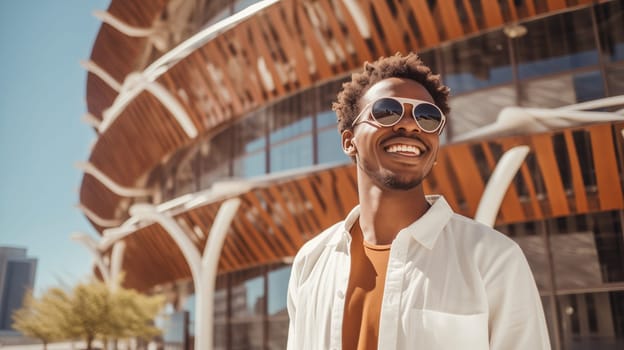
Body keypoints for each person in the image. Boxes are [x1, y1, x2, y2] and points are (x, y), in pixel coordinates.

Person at [286, 52, 551, 350]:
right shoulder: (311, 262)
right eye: (387, 111)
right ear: (349, 141)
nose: (411, 126)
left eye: (428, 117)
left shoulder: (492, 258)